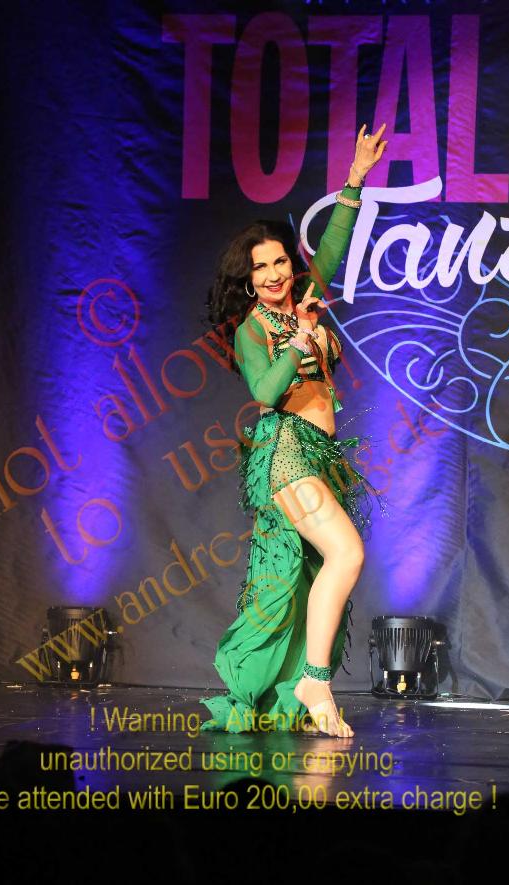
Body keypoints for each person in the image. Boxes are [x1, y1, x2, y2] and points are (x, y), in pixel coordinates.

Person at [199, 124, 389, 737]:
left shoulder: (304, 292)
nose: (274, 274)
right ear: (247, 278)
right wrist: (302, 335)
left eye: (280, 261)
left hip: (318, 451)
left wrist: (354, 178)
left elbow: (332, 245)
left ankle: (297, 688)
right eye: (261, 268)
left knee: (300, 579)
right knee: (346, 553)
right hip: (284, 452)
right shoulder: (253, 329)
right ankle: (314, 679)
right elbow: (264, 392)